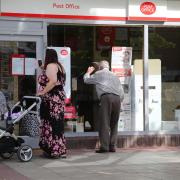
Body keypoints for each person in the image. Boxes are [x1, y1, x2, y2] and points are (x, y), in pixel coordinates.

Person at [83, 60, 124, 153]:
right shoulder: (115, 75)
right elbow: (121, 93)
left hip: (106, 97)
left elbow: (86, 80)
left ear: (100, 67)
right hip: (117, 98)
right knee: (114, 123)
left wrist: (88, 72)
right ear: (108, 67)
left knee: (104, 123)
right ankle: (112, 146)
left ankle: (104, 147)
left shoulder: (98, 73)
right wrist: (119, 101)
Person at [37, 48, 67, 158]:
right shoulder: (59, 66)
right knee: (57, 123)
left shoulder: (50, 66)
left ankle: (52, 150)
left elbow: (53, 81)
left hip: (51, 98)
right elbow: (56, 79)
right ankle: (60, 150)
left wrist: (42, 92)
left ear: (48, 56)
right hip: (59, 98)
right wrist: (43, 67)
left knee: (50, 123)